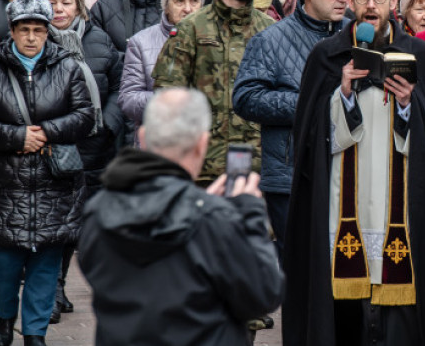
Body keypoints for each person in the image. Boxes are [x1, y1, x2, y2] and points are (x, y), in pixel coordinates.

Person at [283, 0, 425, 345]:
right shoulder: (327, 57)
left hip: (400, 212)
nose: (371, 6)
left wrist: (407, 107)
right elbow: (308, 141)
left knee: (401, 321)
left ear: (393, 1)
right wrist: (343, 96)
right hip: (342, 210)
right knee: (343, 316)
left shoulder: (420, 55)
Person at [79, 88, 284, 345]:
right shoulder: (213, 220)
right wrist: (249, 216)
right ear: (202, 144)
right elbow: (263, 295)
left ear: (142, 136)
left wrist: (200, 205)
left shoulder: (98, 210)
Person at [0, 0, 95, 346]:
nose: (31, 37)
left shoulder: (68, 67)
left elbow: (85, 116)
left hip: (55, 181)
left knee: (47, 260)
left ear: (47, 32)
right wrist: (16, 137)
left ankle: (35, 333)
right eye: (24, 30)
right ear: (12, 31)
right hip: (6, 182)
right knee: (5, 262)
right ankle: (6, 318)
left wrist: (45, 133)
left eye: (39, 30)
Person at [233, 0, 350, 254]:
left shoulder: (356, 35)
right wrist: (311, 104)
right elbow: (246, 98)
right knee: (299, 271)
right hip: (291, 175)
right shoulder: (270, 40)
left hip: (348, 172)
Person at [33, 0, 126, 320]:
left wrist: (111, 123)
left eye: (66, 1)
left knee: (82, 219)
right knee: (55, 217)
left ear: (78, 5)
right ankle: (52, 287)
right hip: (53, 144)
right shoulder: (34, 39)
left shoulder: (99, 41)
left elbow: (119, 85)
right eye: (52, 1)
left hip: (94, 144)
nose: (59, 8)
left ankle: (62, 280)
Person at [153, 0, 273, 184]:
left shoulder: (269, 30)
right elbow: (168, 98)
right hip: (204, 166)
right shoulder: (192, 29)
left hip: (259, 165)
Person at [120, 0, 205, 127]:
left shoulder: (213, 40)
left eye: (194, 1)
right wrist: (168, 98)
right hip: (159, 137)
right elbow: (129, 101)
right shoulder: (140, 42)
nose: (188, 9)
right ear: (166, 6)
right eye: (179, 1)